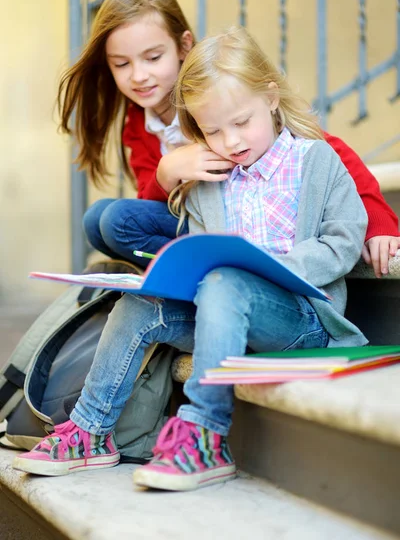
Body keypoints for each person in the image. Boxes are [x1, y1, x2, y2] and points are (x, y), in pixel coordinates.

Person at [14, 27, 371, 491]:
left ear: (271, 97)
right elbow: (202, 257)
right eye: (213, 131)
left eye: (241, 122)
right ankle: (89, 431)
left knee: (227, 279)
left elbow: (343, 241)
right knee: (140, 304)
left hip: (300, 320)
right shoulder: (209, 182)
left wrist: (276, 264)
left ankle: (205, 433)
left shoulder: (314, 160)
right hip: (221, 318)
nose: (231, 141)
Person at [58, 0, 399, 276]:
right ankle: (185, 275)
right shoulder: (138, 123)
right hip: (200, 221)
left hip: (257, 220)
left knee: (112, 217)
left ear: (183, 46)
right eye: (122, 64)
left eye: (152, 57)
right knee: (98, 220)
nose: (139, 75)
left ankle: (209, 273)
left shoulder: (221, 91)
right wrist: (166, 173)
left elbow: (333, 156)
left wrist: (379, 223)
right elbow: (154, 204)